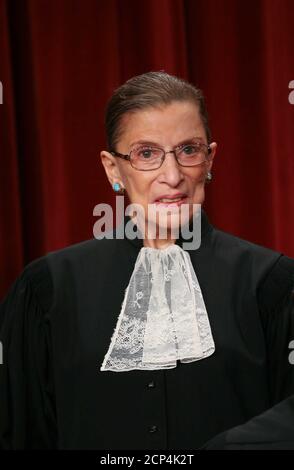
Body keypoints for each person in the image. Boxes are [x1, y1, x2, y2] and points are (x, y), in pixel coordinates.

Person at [0, 71, 294, 450]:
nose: (172, 176)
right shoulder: (48, 289)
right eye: (146, 154)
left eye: (189, 149)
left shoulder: (273, 283)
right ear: (113, 168)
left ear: (209, 159)